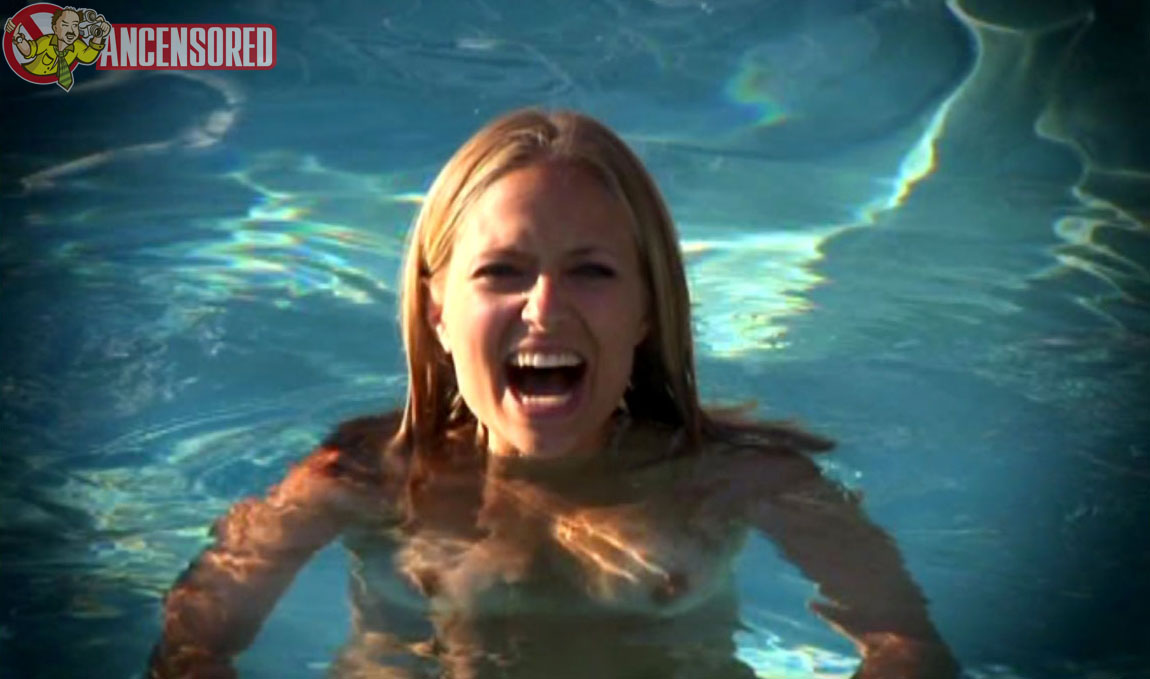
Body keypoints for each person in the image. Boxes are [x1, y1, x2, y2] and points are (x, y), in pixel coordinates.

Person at [147, 109, 959, 679]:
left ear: (647, 308)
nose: (545, 307)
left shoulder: (738, 479)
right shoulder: (362, 479)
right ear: (437, 309)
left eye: (591, 271)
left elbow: (909, 644)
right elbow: (194, 639)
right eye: (502, 270)